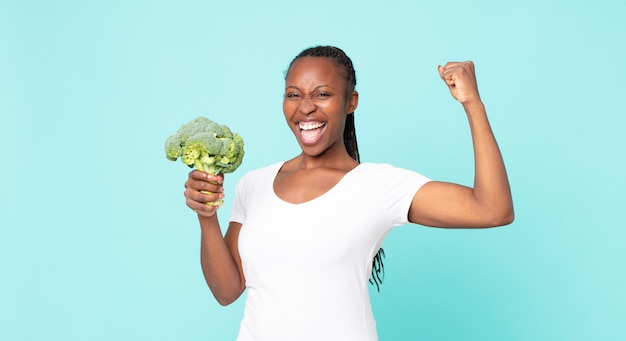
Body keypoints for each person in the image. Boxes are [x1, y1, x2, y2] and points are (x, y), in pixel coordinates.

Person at [183, 45, 514, 341]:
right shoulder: (252, 184)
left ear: (351, 101)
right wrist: (207, 217)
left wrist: (472, 104)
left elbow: (492, 209)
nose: (306, 108)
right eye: (294, 94)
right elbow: (227, 291)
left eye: (322, 94)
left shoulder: (377, 185)